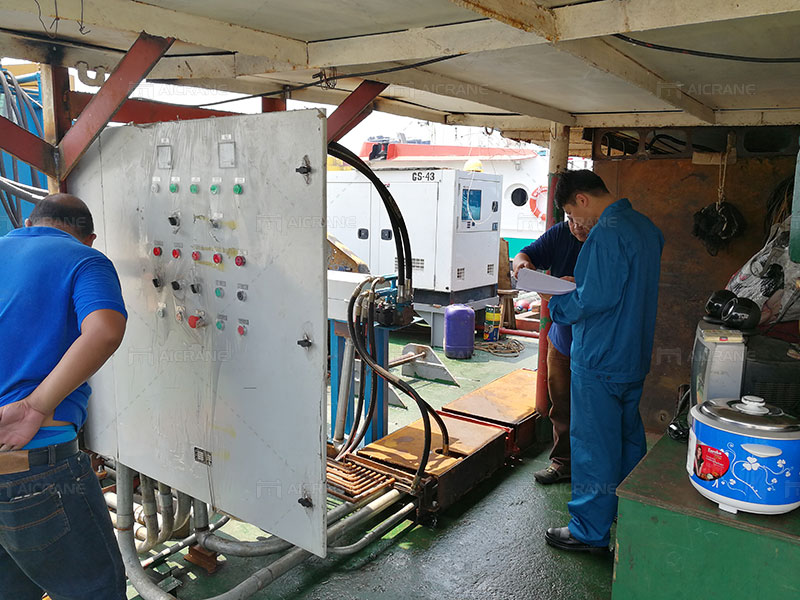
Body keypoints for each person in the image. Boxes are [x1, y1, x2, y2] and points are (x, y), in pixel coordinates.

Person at [0, 194, 128, 599]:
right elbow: (104, 331)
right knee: (95, 591)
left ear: (27, 223)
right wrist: (34, 405)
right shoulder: (85, 259)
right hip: (35, 467)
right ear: (89, 237)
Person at [542, 170, 663, 553]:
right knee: (627, 438)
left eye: (571, 214)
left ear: (582, 199)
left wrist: (557, 303)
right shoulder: (645, 228)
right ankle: (627, 511)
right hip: (632, 354)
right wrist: (580, 287)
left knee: (594, 445)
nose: (574, 222)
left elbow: (593, 300)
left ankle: (588, 531)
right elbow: (620, 288)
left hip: (599, 357)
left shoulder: (606, 233)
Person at [512, 217, 590, 484]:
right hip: (562, 336)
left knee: (594, 407)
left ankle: (595, 471)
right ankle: (563, 463)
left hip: (596, 340)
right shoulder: (560, 233)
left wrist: (580, 285)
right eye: (570, 219)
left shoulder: (605, 239)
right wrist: (521, 264)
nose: (576, 226)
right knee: (561, 402)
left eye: (580, 219)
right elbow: (526, 254)